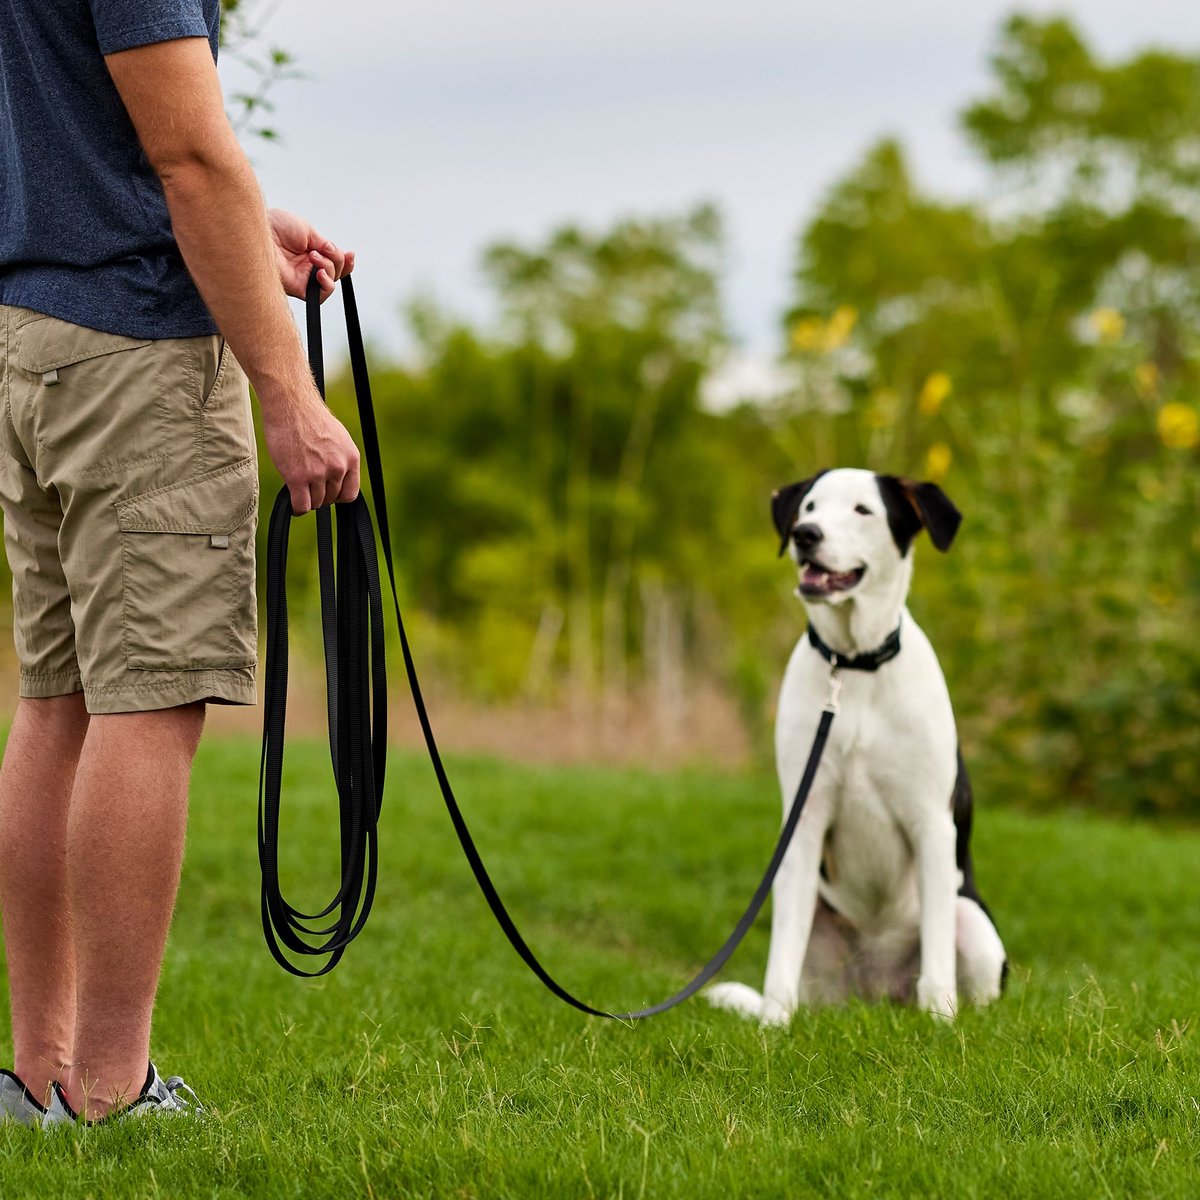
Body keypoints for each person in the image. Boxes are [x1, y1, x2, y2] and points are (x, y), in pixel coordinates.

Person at [0, 1, 360, 1123]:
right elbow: (191, 157)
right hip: (139, 355)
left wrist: (250, 233)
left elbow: (88, 143)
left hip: (30, 337)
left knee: (55, 702)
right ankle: (112, 1095)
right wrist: (289, 394)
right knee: (146, 705)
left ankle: (38, 1073)